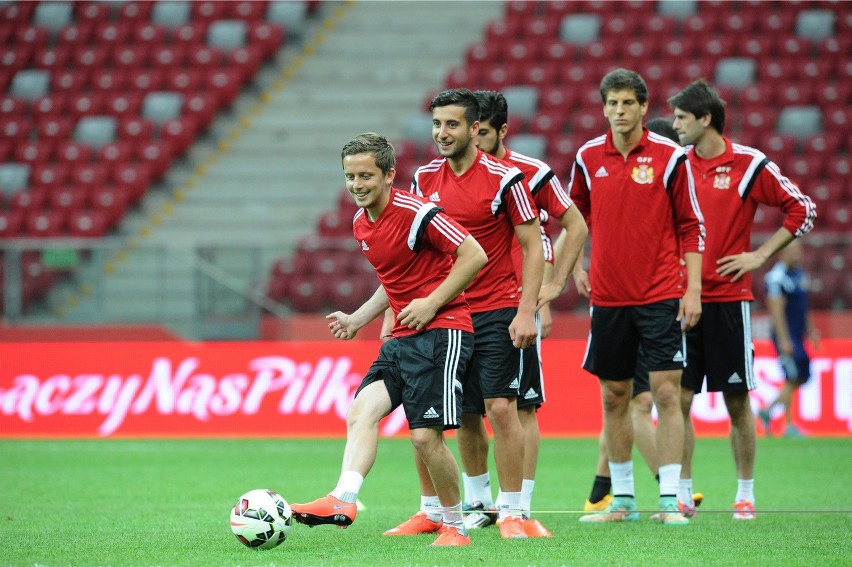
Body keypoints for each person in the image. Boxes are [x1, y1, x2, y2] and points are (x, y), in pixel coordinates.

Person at [290, 133, 488, 547]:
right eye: (350, 176)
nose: (357, 184)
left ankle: (455, 526)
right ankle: (343, 499)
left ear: (389, 175)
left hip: (444, 331)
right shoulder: (362, 223)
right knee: (361, 412)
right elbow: (393, 280)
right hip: (402, 337)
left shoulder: (419, 213)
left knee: (423, 436)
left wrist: (431, 303)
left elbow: (474, 255)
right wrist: (358, 318)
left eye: (365, 175)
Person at [384, 88, 544, 539]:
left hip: (497, 308)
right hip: (448, 314)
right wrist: (391, 309)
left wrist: (527, 310)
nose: (442, 133)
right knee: (460, 415)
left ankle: (512, 512)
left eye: (452, 124)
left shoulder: (505, 178)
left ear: (476, 129)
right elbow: (410, 251)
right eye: (437, 124)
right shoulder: (424, 179)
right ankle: (473, 504)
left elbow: (531, 247)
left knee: (500, 407)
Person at [668, 79, 817, 520]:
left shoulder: (750, 164)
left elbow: (802, 208)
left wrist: (761, 255)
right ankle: (682, 494)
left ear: (706, 119)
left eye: (680, 118)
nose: (673, 126)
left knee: (737, 402)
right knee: (678, 399)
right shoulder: (675, 165)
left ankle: (745, 494)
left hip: (730, 300)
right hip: (681, 299)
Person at [569, 68, 705, 526]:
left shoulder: (670, 156)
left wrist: (692, 289)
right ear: (603, 107)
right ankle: (623, 500)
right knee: (614, 396)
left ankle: (670, 498)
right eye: (612, 103)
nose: (619, 111)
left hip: (661, 294)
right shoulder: (588, 157)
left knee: (666, 394)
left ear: (644, 108)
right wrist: (575, 266)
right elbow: (575, 219)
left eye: (628, 103)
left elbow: (691, 226)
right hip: (608, 297)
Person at [449, 90, 587, 537]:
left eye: (483, 132)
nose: (476, 139)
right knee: (469, 410)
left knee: (518, 407)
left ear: (500, 131)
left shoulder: (528, 173)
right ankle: (481, 504)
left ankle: (520, 507)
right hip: (467, 307)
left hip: (513, 305)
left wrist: (551, 288)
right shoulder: (455, 175)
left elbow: (573, 225)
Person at [759, 238, 820, 437]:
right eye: (793, 251)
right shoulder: (777, 278)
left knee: (799, 376)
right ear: (782, 253)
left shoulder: (799, 274)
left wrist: (810, 330)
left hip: (798, 335)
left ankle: (768, 412)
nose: (797, 254)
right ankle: (787, 424)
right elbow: (776, 311)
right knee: (793, 376)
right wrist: (784, 339)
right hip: (786, 336)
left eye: (798, 250)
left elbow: (804, 306)